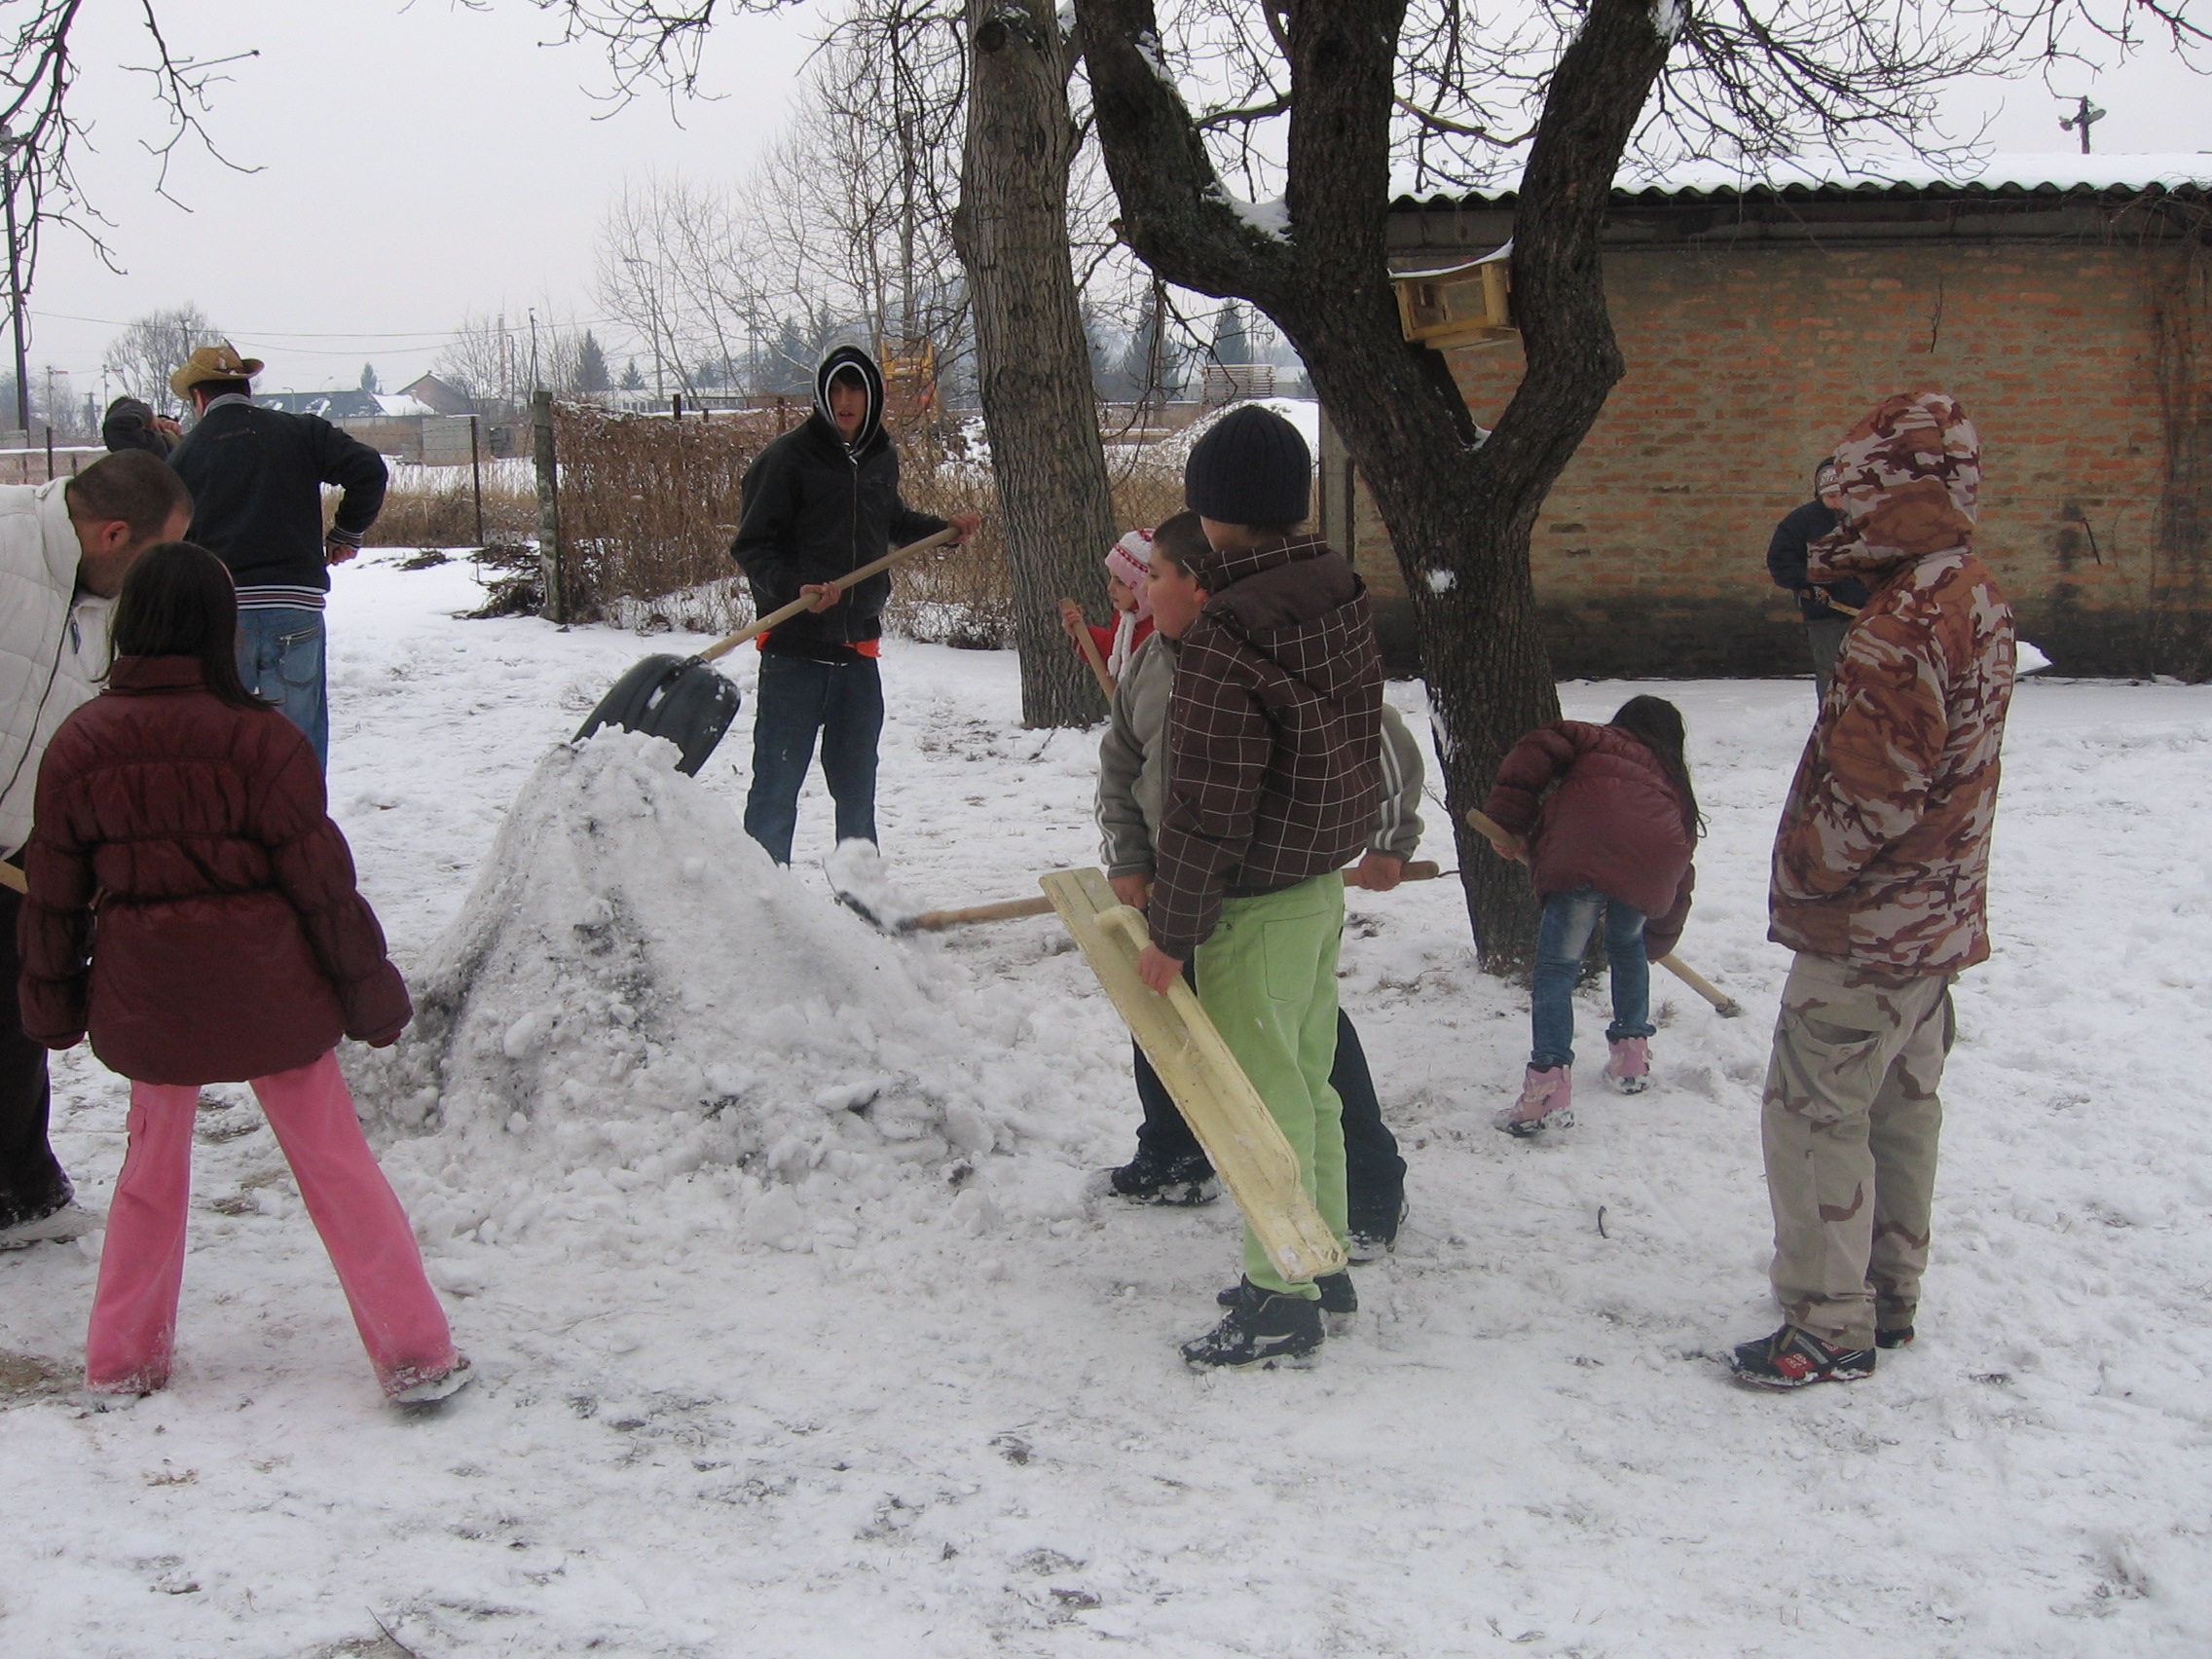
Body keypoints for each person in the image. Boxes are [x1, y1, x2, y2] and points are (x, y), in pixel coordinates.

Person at [17, 541, 466, 1405]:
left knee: (148, 1177)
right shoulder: (263, 741)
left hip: (149, 997)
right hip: (273, 992)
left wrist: (54, 1007)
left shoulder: (81, 744)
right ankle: (415, 1350)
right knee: (337, 1165)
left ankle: (122, 1359)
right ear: (220, 627)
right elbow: (322, 887)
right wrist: (370, 998)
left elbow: (53, 899)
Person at [1729, 390, 2014, 1390]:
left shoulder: (1903, 621)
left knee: (1813, 1117)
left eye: (1856, 497)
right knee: (1901, 1105)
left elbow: (1873, 793)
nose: (1840, 515)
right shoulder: (1971, 589)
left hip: (1868, 929)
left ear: (1898, 496)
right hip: (1934, 919)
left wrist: (1807, 874)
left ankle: (1825, 1323)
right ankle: (1887, 1294)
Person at [1132, 405, 1383, 1370]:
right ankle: (1322, 1259)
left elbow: (1208, 802)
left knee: (1257, 1106)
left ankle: (1280, 1293)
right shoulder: (1333, 588)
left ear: (1213, 510)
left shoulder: (1227, 630)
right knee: (1307, 1086)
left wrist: (1172, 929)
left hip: (1253, 902)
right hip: (1316, 885)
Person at [1097, 509, 1414, 1257]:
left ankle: (1366, 1187)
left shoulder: (1265, 656)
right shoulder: (1151, 662)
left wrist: (1389, 840)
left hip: (1258, 893)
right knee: (1162, 1015)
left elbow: (1381, 746)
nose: (1143, 592)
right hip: (1175, 883)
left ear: (1197, 584)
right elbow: (1121, 762)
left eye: (1157, 577)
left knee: (1299, 1052)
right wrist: (1130, 858)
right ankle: (1175, 1153)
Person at [0, 452, 193, 1250]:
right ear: (113, 533)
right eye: (157, 553)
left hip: (22, 849)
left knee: (16, 1012)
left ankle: (19, 1192)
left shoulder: (112, 601)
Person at [730, 345, 979, 866]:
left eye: (856, 390)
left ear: (873, 397)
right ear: (823, 395)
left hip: (857, 651)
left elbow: (891, 521)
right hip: (794, 651)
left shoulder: (879, 456)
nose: (846, 401)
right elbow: (753, 547)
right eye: (837, 390)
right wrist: (796, 587)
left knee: (857, 792)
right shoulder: (786, 458)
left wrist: (944, 530)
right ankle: (762, 896)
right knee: (776, 788)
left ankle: (862, 896)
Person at [1479, 697, 1699, 1137]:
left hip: (1581, 853)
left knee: (1557, 967)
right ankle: (1631, 1058)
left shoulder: (1594, 738)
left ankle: (1546, 1090)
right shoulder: (1672, 782)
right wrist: (1658, 940)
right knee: (1628, 945)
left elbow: (1538, 747)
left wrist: (1509, 819)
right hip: (1647, 867)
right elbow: (1680, 868)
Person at [166, 342, 388, 770]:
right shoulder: (299, 431)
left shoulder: (184, 456)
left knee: (226, 745)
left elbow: (170, 539)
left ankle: (236, 813)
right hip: (294, 607)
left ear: (197, 397)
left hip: (221, 614)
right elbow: (368, 470)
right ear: (246, 388)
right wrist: (345, 533)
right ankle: (297, 810)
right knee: (296, 744)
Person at [1766, 460, 1870, 700]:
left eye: (1842, 495)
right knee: (1832, 676)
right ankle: (1832, 721)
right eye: (1831, 496)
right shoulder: (1799, 523)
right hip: (1826, 617)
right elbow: (1781, 564)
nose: (1838, 502)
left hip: (1872, 614)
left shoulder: (1870, 518)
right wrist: (1809, 582)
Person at [1059, 529, 1156, 680]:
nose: (1110, 588)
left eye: (1120, 582)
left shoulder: (1161, 630)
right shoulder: (1127, 616)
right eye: (1111, 577)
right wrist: (1082, 633)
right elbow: (1114, 652)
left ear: (1143, 588)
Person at [100, 396, 179, 461]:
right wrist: (147, 412)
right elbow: (117, 425)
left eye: (162, 420)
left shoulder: (180, 442)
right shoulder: (152, 449)